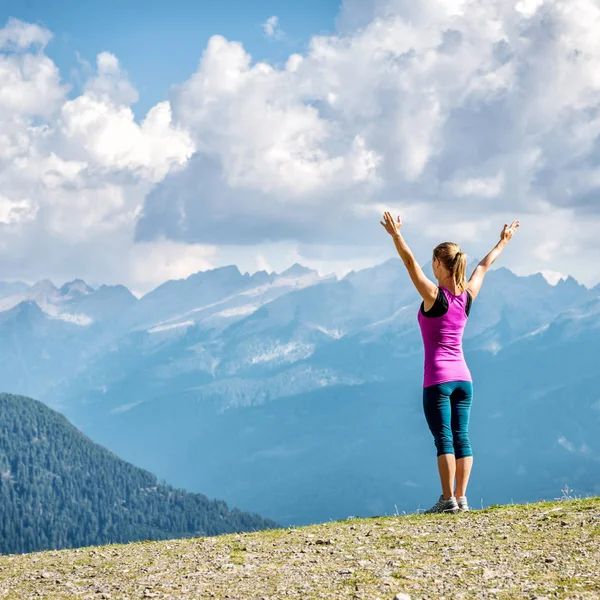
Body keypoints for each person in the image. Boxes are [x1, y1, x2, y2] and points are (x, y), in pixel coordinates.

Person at [380, 211, 519, 514]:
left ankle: (447, 500)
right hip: (464, 380)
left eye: (433, 261)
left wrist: (396, 235)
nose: (430, 266)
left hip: (438, 380)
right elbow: (484, 265)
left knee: (443, 438)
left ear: (440, 264)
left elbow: (409, 263)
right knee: (462, 437)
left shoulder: (433, 296)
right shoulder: (468, 295)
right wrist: (502, 243)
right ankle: (462, 497)